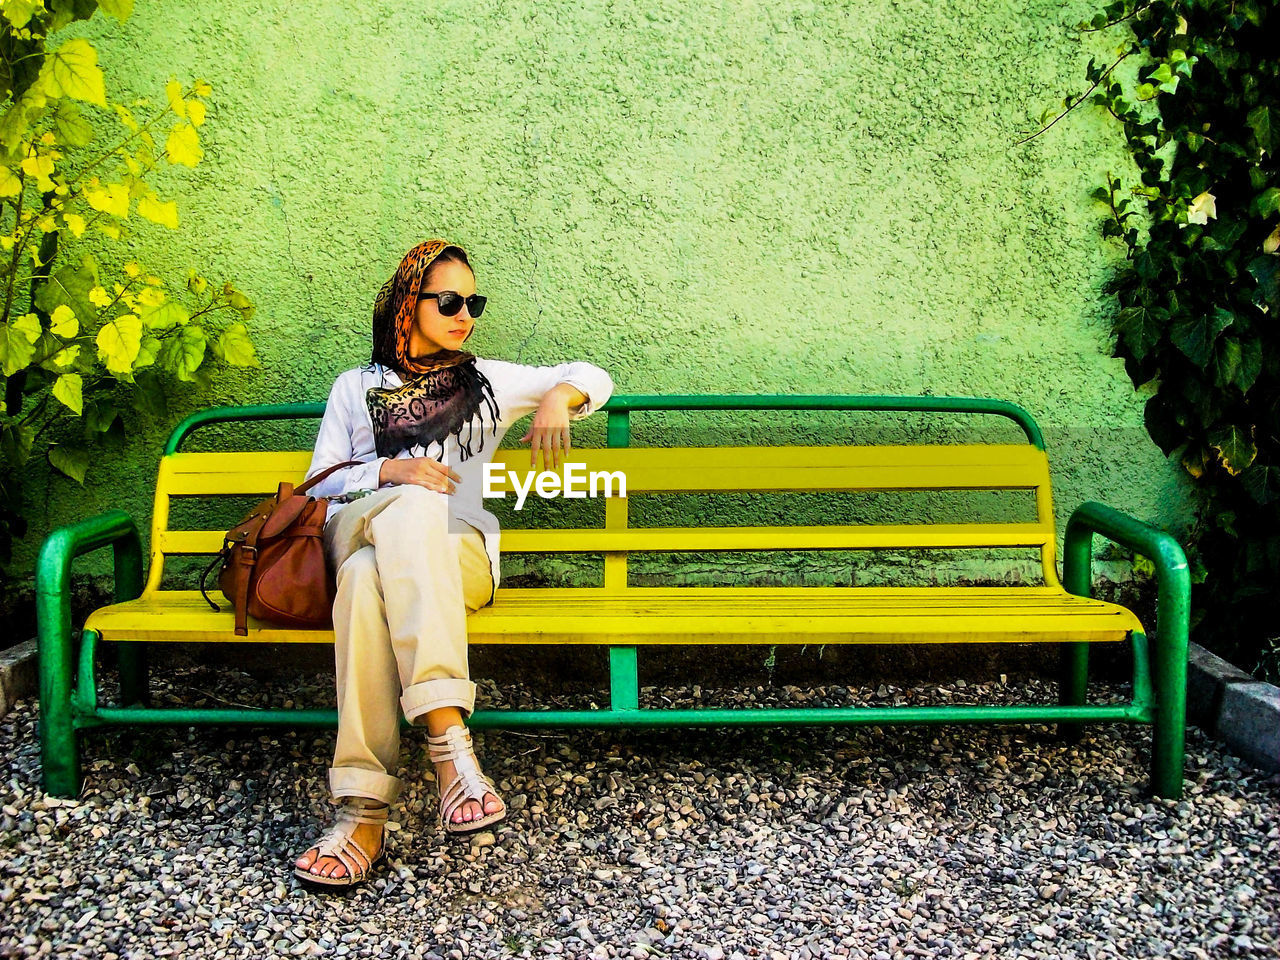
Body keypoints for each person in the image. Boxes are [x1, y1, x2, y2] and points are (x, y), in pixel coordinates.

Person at [292, 239, 614, 887]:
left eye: (474, 301)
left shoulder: (488, 380)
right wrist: (390, 468)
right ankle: (450, 747)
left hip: (458, 559)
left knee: (368, 577)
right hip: (359, 534)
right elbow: (316, 484)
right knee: (386, 532)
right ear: (408, 303)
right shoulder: (356, 388)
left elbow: (595, 374)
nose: (465, 313)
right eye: (448, 300)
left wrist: (559, 399)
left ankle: (362, 815)